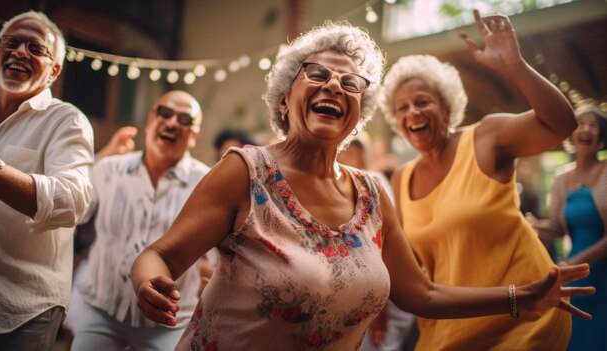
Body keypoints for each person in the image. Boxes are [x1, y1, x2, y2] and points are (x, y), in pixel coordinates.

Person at [131, 20, 593, 351]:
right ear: (285, 97)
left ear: (358, 113)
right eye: (317, 74)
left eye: (350, 82)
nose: (334, 85)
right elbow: (161, 255)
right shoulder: (246, 173)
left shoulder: (372, 194)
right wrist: (150, 281)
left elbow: (422, 295)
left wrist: (521, 296)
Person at [379, 10, 580, 350]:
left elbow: (561, 125)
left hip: (527, 314)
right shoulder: (402, 177)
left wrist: (514, 66)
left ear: (446, 107)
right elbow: (410, 264)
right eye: (402, 108)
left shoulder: (486, 137)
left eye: (422, 102)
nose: (411, 112)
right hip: (451, 324)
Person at [0, 11, 94, 351]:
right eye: (11, 43)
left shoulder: (66, 121)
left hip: (22, 308)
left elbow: (73, 201)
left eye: (35, 47)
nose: (19, 52)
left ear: (54, 71)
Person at [70, 91, 214, 351]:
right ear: (150, 120)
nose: (172, 123)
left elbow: (215, 256)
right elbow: (73, 211)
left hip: (169, 323)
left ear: (194, 135)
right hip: (103, 310)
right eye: (165, 113)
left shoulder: (206, 183)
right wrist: (99, 158)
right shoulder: (109, 168)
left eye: (184, 119)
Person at [527, 106, 607, 350]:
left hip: (600, 272)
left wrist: (574, 263)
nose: (585, 129)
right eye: (581, 124)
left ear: (602, 140)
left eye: (592, 125)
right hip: (575, 274)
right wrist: (533, 226)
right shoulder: (561, 178)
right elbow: (556, 228)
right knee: (575, 337)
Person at [338, 136, 418, 351]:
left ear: (357, 153)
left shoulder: (370, 181)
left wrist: (379, 308)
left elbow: (380, 240)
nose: (339, 156)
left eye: (343, 151)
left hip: (381, 296)